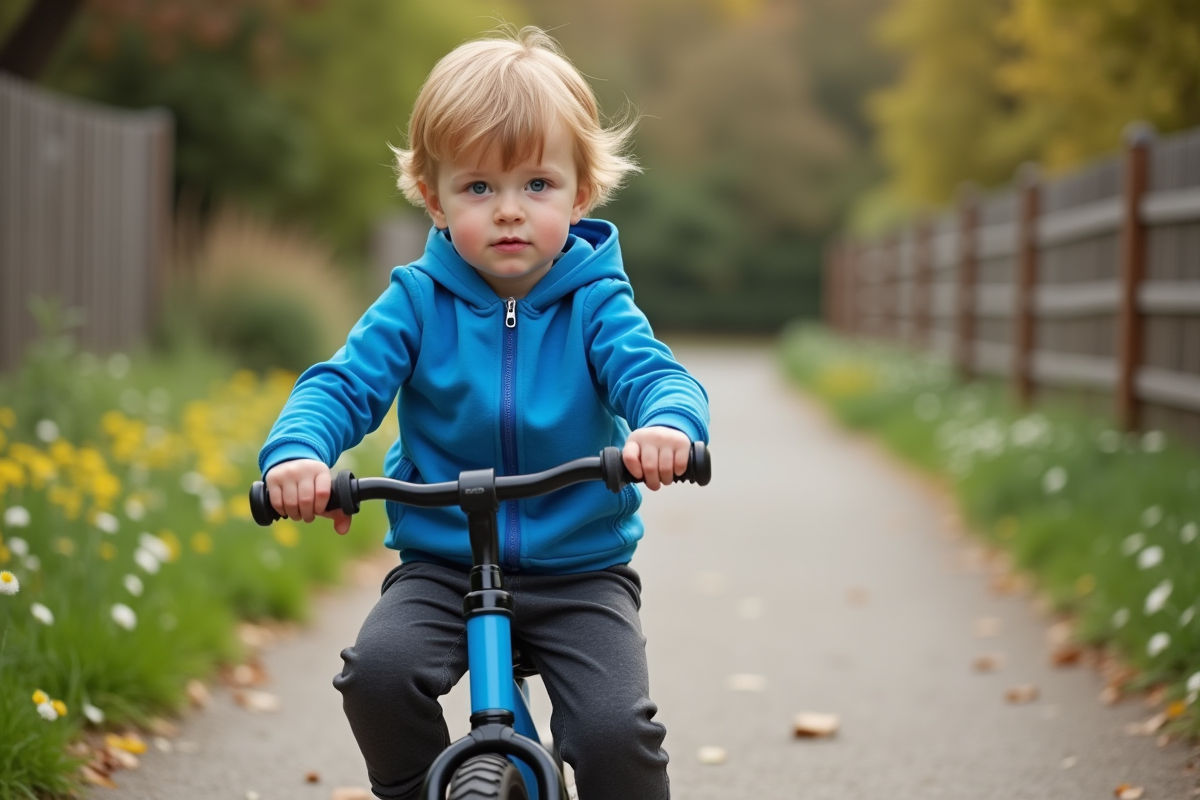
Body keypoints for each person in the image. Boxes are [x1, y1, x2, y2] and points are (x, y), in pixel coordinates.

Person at [258, 25, 709, 800]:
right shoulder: (416, 302)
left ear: (581, 192)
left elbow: (654, 375)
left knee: (614, 732)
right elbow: (342, 385)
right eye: (478, 188)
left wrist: (667, 427)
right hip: (441, 564)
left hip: (579, 569)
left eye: (537, 185)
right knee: (377, 675)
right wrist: (298, 454)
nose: (509, 211)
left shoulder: (596, 302)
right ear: (433, 198)